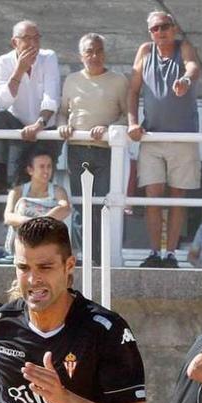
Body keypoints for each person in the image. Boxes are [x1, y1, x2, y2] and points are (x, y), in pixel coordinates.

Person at [0, 216, 147, 403]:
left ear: (69, 266)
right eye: (23, 268)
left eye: (45, 267)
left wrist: (63, 399)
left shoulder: (106, 331)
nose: (33, 279)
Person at [127, 11, 201, 268]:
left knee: (178, 195)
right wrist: (132, 123)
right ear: (150, 32)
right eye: (156, 28)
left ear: (174, 28)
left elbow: (192, 67)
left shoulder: (184, 47)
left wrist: (185, 79)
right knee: (152, 195)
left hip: (182, 135)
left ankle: (170, 254)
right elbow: (133, 89)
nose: (161, 32)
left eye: (166, 26)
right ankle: (154, 252)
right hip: (152, 135)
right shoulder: (145, 52)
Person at [58, 33, 127, 263]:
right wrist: (62, 127)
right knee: (80, 206)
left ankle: (101, 257)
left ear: (104, 54)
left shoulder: (119, 81)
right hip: (77, 149)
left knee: (102, 204)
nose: (94, 56)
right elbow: (61, 112)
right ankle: (84, 255)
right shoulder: (71, 80)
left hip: (106, 150)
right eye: (89, 51)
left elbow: (127, 115)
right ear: (81, 55)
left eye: (98, 51)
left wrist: (108, 128)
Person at [0, 20, 61, 195]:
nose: (33, 44)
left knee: (41, 183)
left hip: (44, 126)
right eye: (27, 39)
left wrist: (39, 124)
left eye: (37, 38)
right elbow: (1, 103)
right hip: (17, 127)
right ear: (15, 42)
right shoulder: (3, 62)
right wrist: (19, 71)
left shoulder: (48, 57)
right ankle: (0, 177)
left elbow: (52, 96)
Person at [3, 149, 71, 255]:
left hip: (48, 245)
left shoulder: (58, 191)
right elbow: (8, 217)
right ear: (30, 170)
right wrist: (31, 223)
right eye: (42, 166)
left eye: (49, 166)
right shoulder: (17, 191)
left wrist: (40, 224)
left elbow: (65, 209)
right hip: (23, 243)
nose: (46, 171)